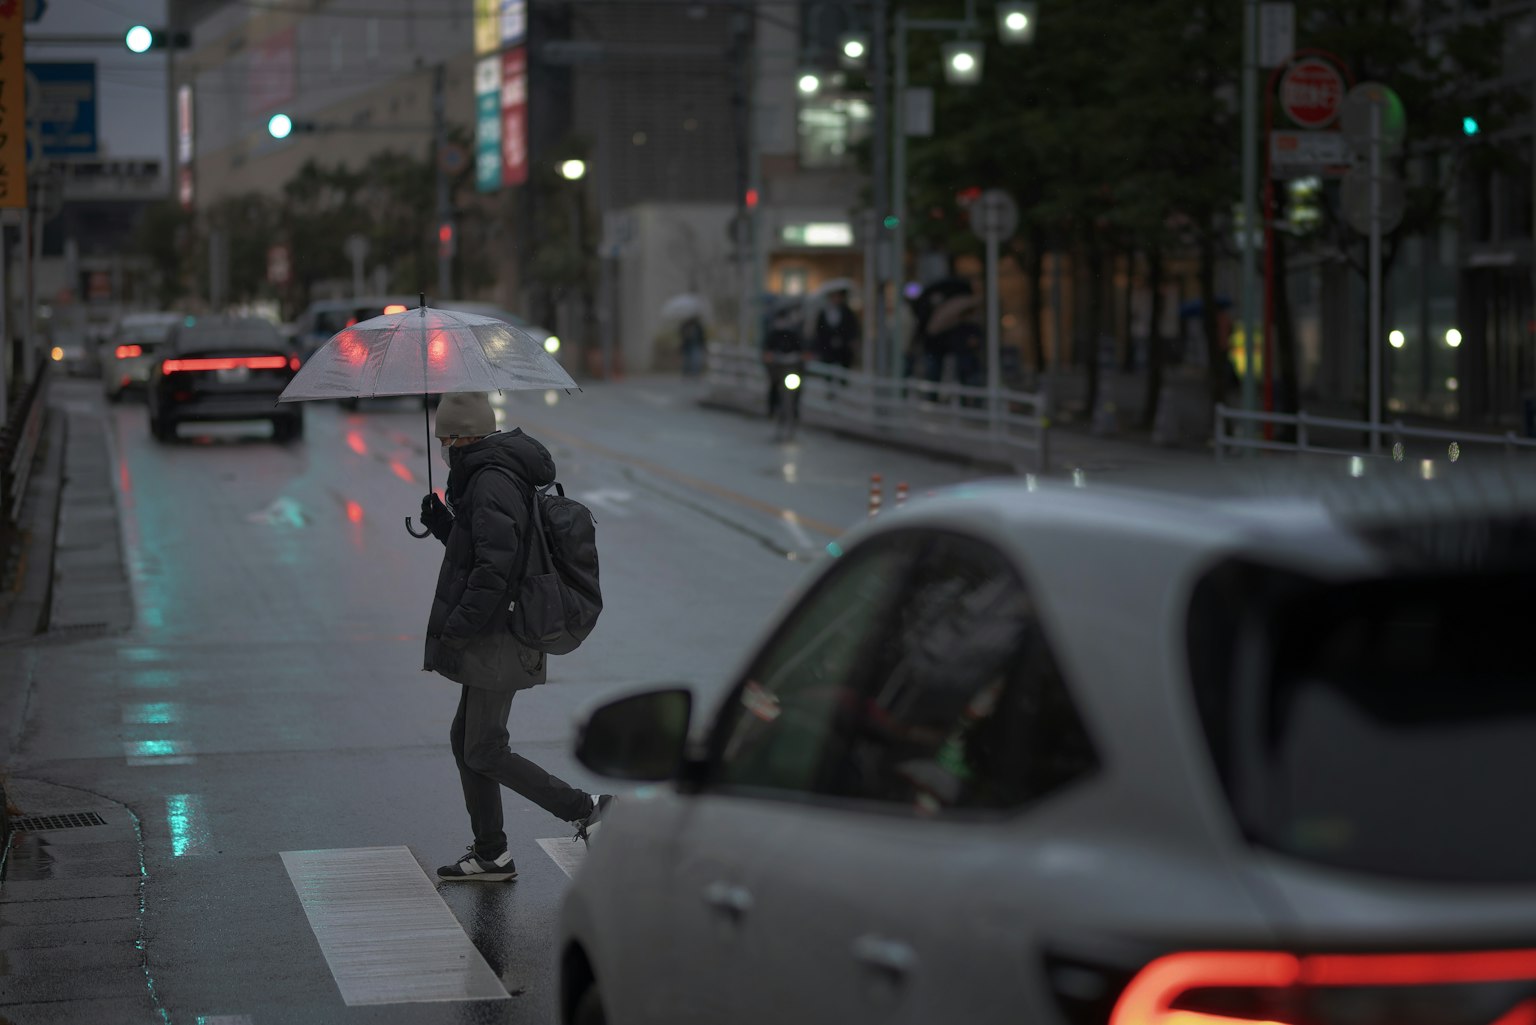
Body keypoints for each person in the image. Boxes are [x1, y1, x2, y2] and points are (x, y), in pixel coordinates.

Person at [418, 392, 611, 882]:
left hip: (498, 632)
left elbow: (494, 570)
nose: (443, 447)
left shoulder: (489, 481)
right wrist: (445, 525)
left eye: (446, 439)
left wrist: (457, 629)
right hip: (497, 628)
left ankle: (585, 809)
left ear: (463, 438)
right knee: (467, 739)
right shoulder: (491, 476)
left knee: (482, 746)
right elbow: (491, 546)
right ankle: (491, 853)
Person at [812, 289, 860, 370]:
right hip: (827, 348)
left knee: (844, 369)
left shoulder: (847, 312)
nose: (836, 299)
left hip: (844, 348)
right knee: (828, 369)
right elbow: (820, 330)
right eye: (833, 296)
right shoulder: (823, 312)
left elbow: (852, 327)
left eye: (838, 296)